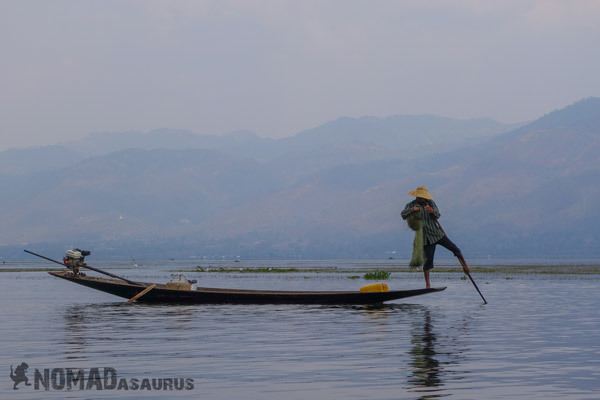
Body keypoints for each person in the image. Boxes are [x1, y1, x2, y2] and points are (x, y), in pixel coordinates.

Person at [401, 186, 469, 288]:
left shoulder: (430, 203)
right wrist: (412, 210)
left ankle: (465, 267)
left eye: (424, 198)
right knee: (428, 262)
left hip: (437, 234)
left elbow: (437, 215)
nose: (422, 199)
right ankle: (428, 284)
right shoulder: (411, 205)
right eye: (420, 197)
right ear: (417, 197)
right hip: (425, 238)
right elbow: (403, 215)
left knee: (455, 249)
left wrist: (432, 211)